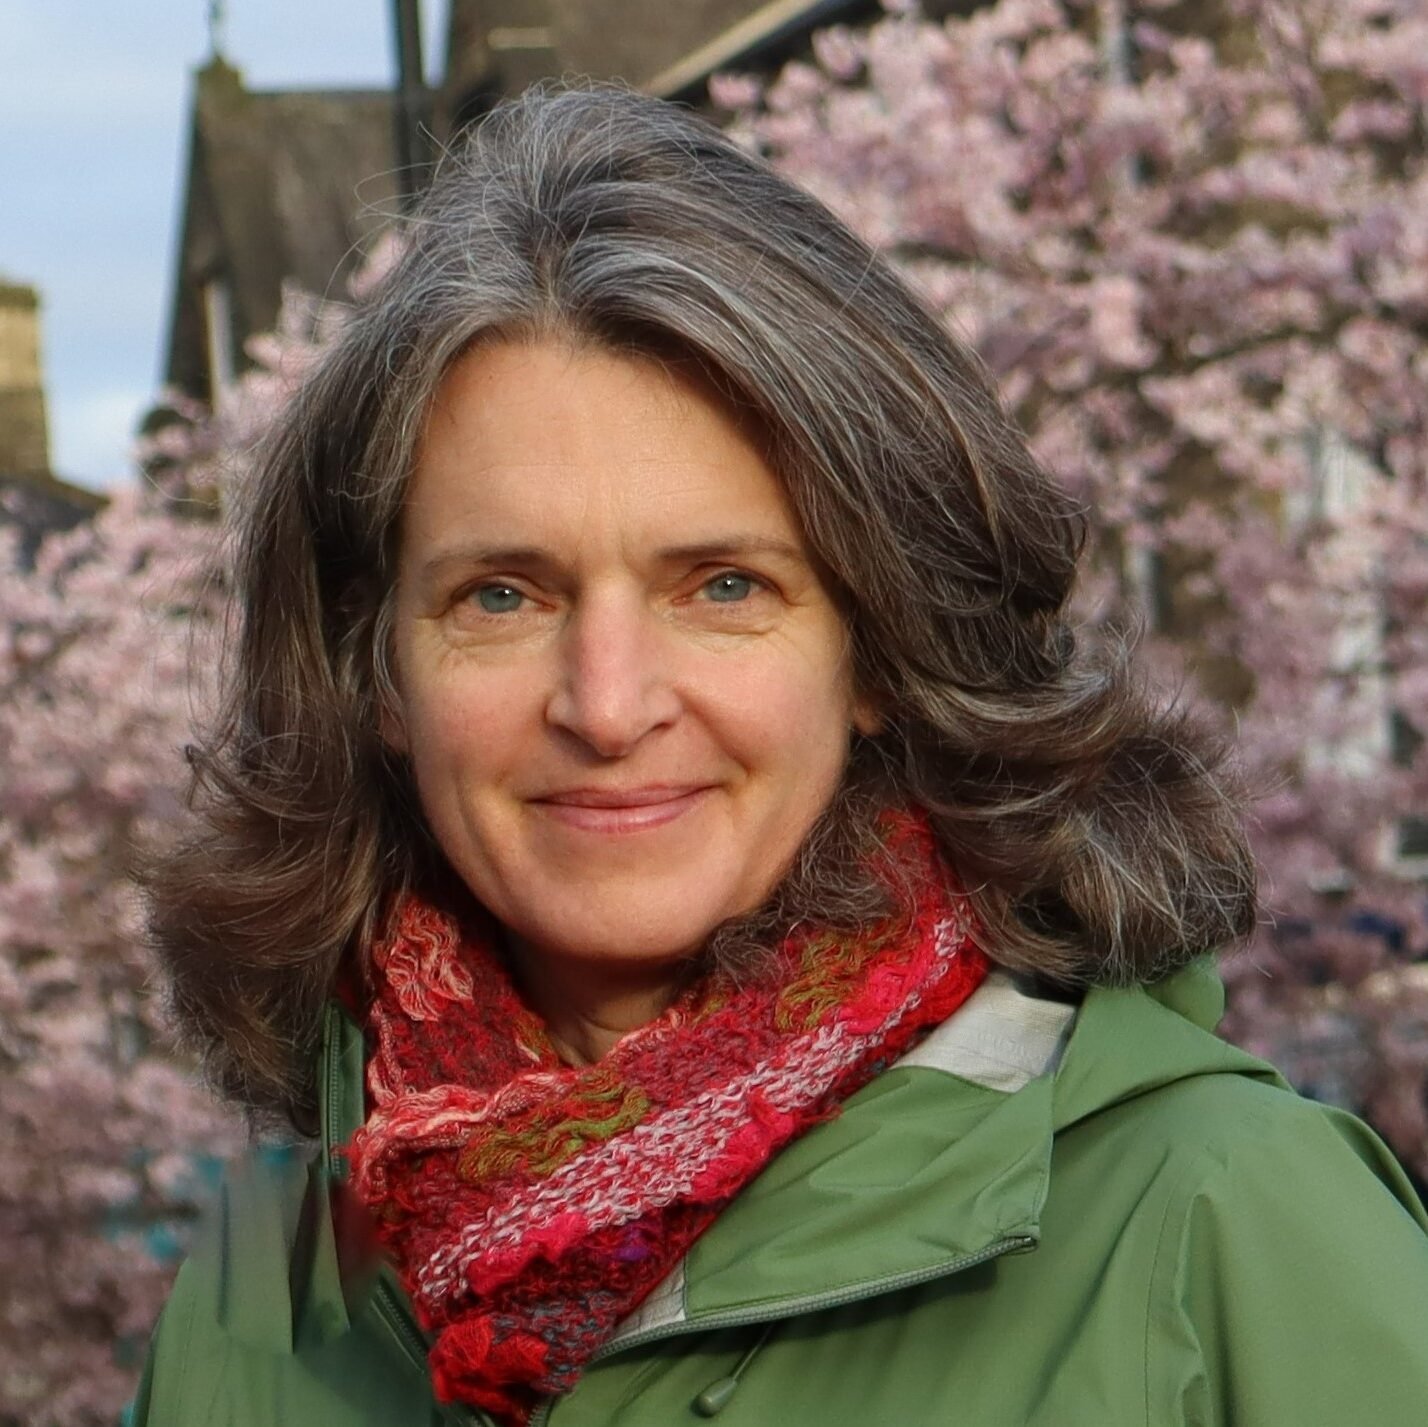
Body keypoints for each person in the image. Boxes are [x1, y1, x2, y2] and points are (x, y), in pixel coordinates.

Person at [134, 83, 1428, 1427]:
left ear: (875, 647)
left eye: (725, 586)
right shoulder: (260, 1309)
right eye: (503, 596)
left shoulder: (1225, 1224)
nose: (610, 702)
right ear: (376, 670)